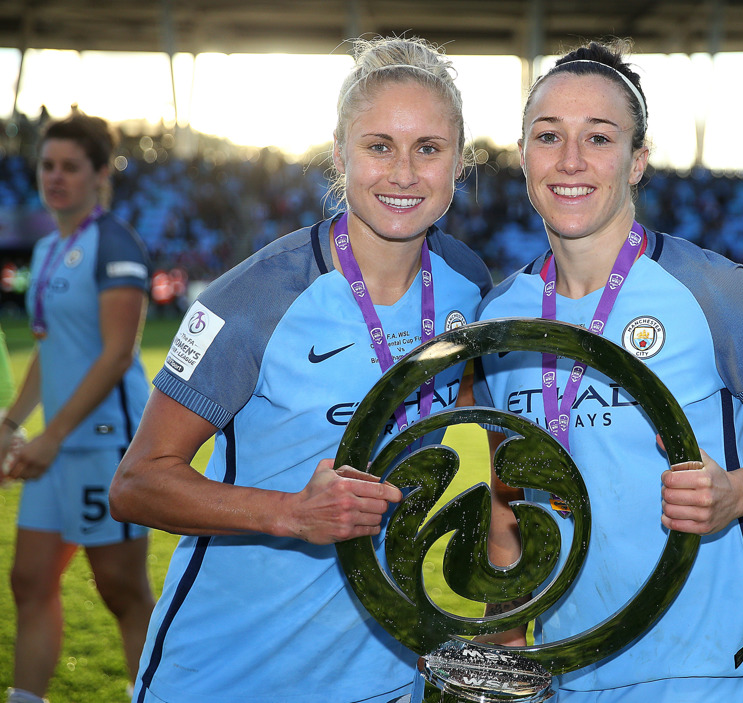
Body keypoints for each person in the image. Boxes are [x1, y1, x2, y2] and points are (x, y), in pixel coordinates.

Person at [108, 36, 492, 703]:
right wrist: (292, 513)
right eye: (379, 146)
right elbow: (137, 484)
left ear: (458, 162)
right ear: (341, 154)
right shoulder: (256, 297)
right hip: (229, 673)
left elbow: (489, 452)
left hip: (383, 676)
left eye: (428, 148)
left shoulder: (467, 285)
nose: (404, 173)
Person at [475, 40, 743, 701]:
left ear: (637, 160)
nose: (570, 160)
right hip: (564, 673)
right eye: (548, 135)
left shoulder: (713, 290)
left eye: (599, 137)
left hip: (701, 672)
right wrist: (505, 632)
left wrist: (737, 491)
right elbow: (509, 495)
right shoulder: (500, 315)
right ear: (525, 154)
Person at [1, 113, 156, 703]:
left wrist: (51, 436)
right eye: (47, 166)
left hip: (104, 446)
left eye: (70, 166)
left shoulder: (114, 243)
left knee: (121, 591)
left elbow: (117, 356)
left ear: (98, 174)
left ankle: (152, 694)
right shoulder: (46, 247)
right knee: (30, 580)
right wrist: (12, 422)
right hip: (57, 445)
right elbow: (49, 351)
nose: (56, 177)